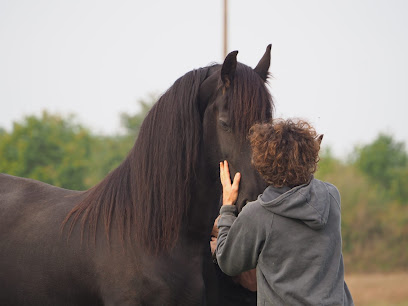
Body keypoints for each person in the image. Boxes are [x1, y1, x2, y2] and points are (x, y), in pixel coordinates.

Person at [214, 119, 354, 305]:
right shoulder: (331, 196)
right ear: (309, 157)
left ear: (262, 164)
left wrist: (228, 208)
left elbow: (229, 262)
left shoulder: (258, 214)